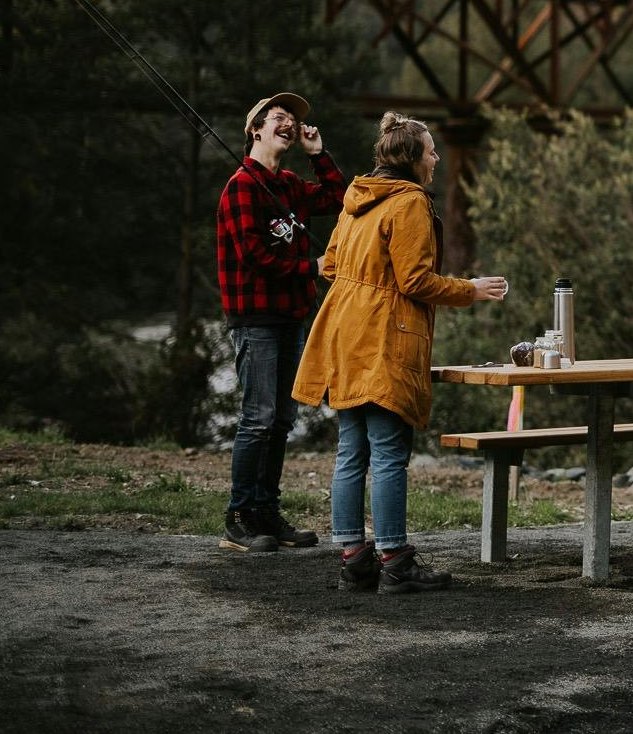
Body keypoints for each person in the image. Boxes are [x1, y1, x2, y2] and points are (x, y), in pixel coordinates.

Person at [291, 112, 508, 593]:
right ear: (411, 159)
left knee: (351, 451)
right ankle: (395, 560)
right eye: (430, 151)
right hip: (384, 336)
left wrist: (365, 280)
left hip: (343, 333)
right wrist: (470, 289)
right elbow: (415, 280)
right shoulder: (409, 201)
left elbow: (330, 265)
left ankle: (354, 559)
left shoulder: (356, 197)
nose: (436, 158)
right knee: (389, 452)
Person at [215, 91, 346, 553]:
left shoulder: (288, 184)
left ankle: (266, 512)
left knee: (282, 419)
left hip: (291, 316)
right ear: (256, 130)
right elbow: (255, 257)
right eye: (278, 117)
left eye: (292, 118)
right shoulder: (241, 187)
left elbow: (339, 198)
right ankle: (239, 517)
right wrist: (312, 267)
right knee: (259, 418)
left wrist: (318, 154)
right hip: (255, 317)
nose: (289, 122)